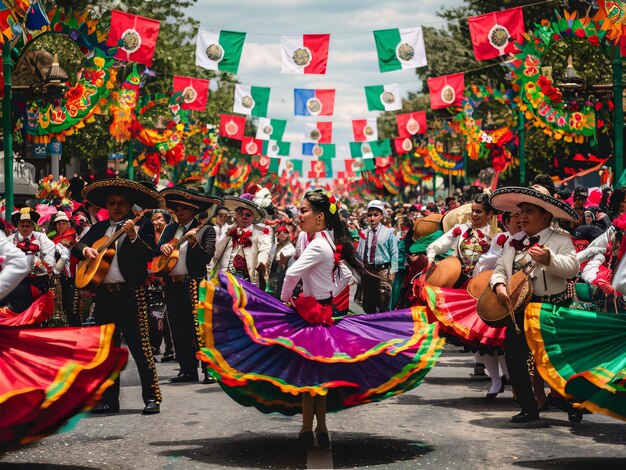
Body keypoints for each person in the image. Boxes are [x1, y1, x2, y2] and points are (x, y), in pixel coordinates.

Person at [196, 190, 444, 451]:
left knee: (310, 376)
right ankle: (319, 429)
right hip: (323, 314)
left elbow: (292, 273)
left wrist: (284, 300)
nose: (299, 215)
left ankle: (309, 429)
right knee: (317, 376)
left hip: (312, 317)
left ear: (319, 216)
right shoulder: (327, 240)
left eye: (303, 211)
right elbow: (346, 276)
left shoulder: (317, 244)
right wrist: (329, 294)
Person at [489, 179, 580, 423]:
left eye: (529, 212)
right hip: (519, 309)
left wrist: (550, 259)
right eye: (521, 212)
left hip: (550, 308)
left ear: (545, 217)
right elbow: (499, 268)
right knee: (514, 358)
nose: (523, 217)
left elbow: (573, 267)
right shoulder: (512, 241)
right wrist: (498, 285)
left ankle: (571, 401)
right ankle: (529, 407)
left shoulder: (560, 240)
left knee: (556, 359)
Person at [72, 178, 163, 415]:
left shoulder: (142, 226)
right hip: (104, 297)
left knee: (141, 348)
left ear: (129, 206)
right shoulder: (99, 228)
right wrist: (85, 250)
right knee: (107, 351)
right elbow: (77, 246)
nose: (116, 207)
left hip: (132, 295)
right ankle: (109, 400)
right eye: (112, 203)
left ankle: (152, 398)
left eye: (121, 203)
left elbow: (148, 253)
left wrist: (132, 236)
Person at [157, 187, 221, 384]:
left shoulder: (206, 230)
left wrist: (194, 243)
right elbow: (156, 256)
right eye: (177, 208)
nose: (180, 212)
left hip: (195, 284)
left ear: (194, 211)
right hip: (173, 285)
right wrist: (162, 247)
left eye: (184, 209)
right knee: (178, 328)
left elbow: (206, 256)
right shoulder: (169, 229)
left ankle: (208, 370)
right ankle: (187, 370)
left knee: (200, 328)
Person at [209, 195, 272, 288]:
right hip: (223, 278)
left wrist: (262, 263)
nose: (244, 217)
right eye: (241, 214)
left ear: (254, 218)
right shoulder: (229, 230)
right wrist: (208, 272)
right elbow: (216, 253)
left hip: (247, 282)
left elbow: (265, 250)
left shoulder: (261, 232)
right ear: (236, 215)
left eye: (248, 215)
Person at [4, 208, 56, 313]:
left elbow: (49, 257)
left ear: (33, 226)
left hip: (37, 279)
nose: (25, 228)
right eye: (22, 225)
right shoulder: (10, 240)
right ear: (17, 226)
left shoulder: (41, 238)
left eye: (28, 226)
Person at [356, 199, 398, 313]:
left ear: (381, 216)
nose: (372, 218)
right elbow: (359, 253)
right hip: (368, 272)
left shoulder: (388, 233)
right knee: (369, 305)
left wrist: (393, 272)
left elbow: (394, 252)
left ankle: (382, 327)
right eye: (369, 215)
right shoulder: (364, 233)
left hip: (383, 271)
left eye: (376, 215)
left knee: (383, 302)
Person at [48, 211, 79, 326]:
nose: (60, 226)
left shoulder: (73, 235)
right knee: (63, 309)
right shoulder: (55, 238)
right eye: (58, 224)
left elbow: (69, 243)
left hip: (71, 277)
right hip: (59, 279)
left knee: (71, 310)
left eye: (63, 223)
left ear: (68, 224)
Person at [267, 225, 295, 299]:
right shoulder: (274, 246)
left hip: (282, 277)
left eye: (285, 232)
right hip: (271, 275)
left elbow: (291, 267)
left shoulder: (291, 249)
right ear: (277, 235)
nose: (282, 234)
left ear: (288, 234)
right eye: (280, 233)